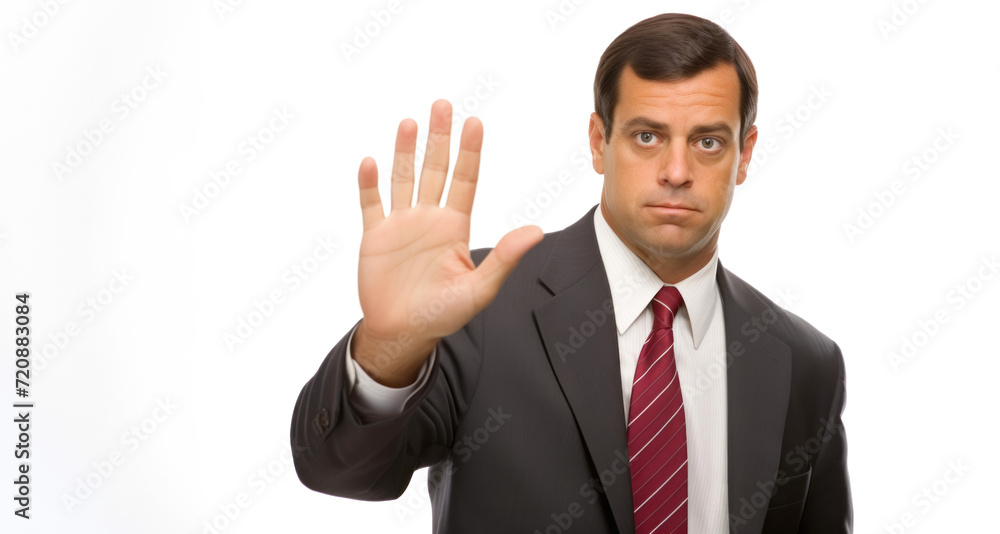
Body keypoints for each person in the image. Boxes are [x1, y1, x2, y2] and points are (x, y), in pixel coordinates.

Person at [290, 12, 851, 534]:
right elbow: (340, 470)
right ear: (598, 142)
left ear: (745, 153)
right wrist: (388, 349)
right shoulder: (473, 307)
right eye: (647, 136)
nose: (677, 171)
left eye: (708, 142)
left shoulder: (806, 363)